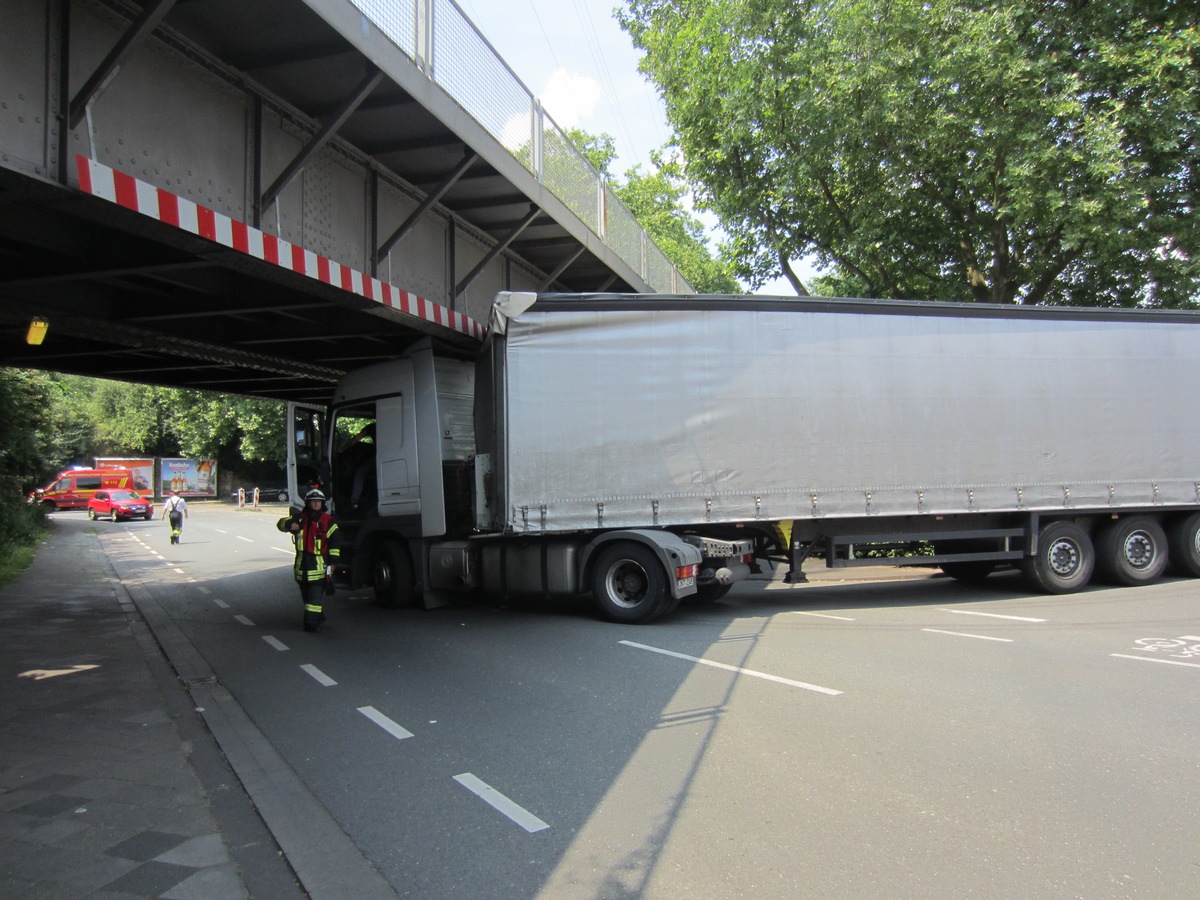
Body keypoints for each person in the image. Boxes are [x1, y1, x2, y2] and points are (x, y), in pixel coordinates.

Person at [277, 488, 340, 632]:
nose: (316, 504)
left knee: (313, 604)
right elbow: (280, 524)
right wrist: (288, 525)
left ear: (322, 503)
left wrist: (332, 564)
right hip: (301, 572)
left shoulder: (328, 522)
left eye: (318, 501)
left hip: (318, 572)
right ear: (308, 503)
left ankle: (311, 624)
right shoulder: (299, 518)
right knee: (309, 601)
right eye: (313, 501)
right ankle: (319, 617)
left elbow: (335, 543)